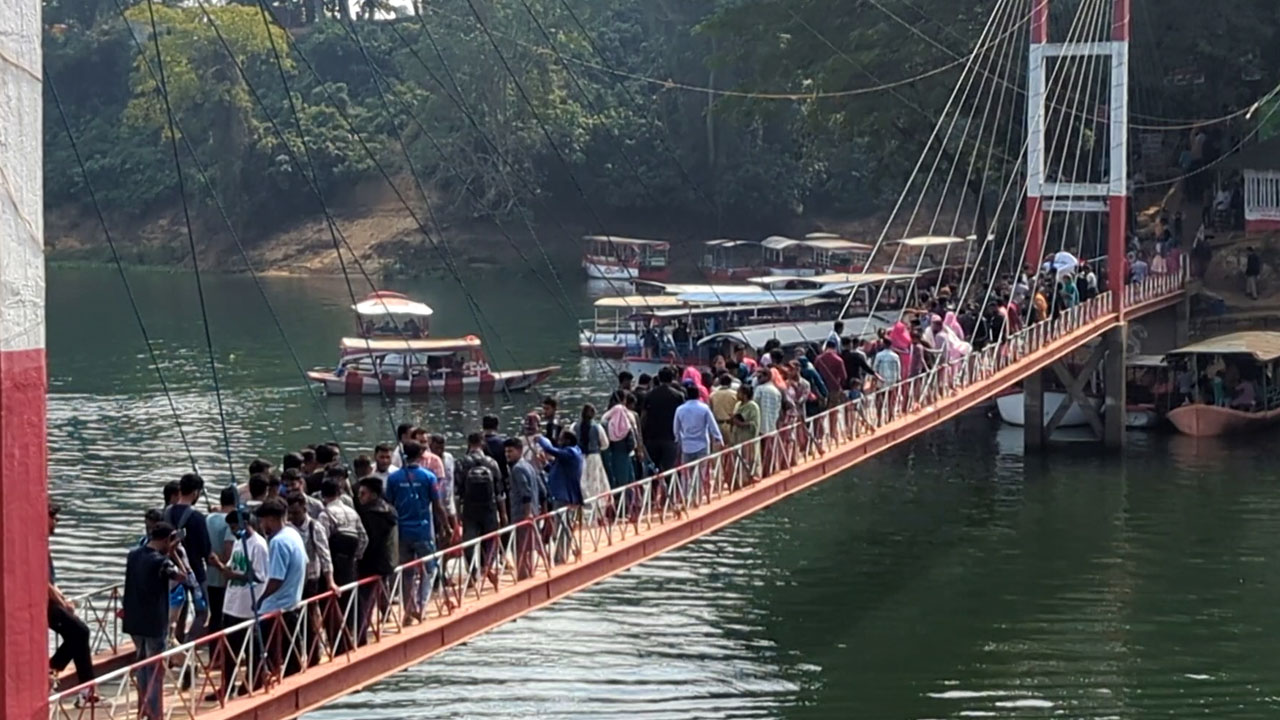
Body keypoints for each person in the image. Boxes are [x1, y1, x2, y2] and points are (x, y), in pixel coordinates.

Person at [123, 522, 185, 719]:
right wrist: (174, 554)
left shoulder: (133, 555)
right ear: (167, 539)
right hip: (154, 623)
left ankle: (143, 709)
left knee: (142, 666)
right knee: (155, 670)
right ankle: (155, 714)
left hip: (134, 620)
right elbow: (183, 577)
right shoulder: (162, 562)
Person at [208, 510, 267, 700]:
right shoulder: (238, 544)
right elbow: (231, 568)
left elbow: (260, 576)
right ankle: (227, 686)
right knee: (229, 649)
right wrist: (218, 564)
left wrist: (234, 575)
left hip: (248, 606)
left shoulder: (258, 545)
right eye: (231, 528)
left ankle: (253, 682)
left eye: (235, 527)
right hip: (232, 604)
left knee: (251, 649)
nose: (233, 531)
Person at [386, 441, 447, 623]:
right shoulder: (429, 476)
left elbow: (389, 503)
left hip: (402, 531)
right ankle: (421, 605)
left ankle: (408, 610)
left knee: (407, 573)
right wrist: (447, 527)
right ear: (421, 455)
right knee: (430, 569)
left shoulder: (393, 478)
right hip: (422, 531)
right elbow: (437, 506)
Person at [254, 498, 308, 677]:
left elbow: (276, 578)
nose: (262, 525)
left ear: (271, 519)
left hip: (276, 607)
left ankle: (262, 681)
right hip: (292, 601)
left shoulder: (278, 542)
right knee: (290, 649)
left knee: (265, 649)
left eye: (263, 521)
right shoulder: (293, 534)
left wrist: (260, 599)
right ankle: (287, 673)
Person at [48, 503, 96, 699]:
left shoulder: (44, 545)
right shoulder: (36, 544)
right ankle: (85, 686)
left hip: (52, 600)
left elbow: (51, 581)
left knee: (78, 634)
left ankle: (53, 668)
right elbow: (43, 583)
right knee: (81, 631)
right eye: (54, 519)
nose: (56, 523)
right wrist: (62, 603)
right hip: (45, 604)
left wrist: (63, 599)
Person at [163, 473, 211, 643]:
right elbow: (206, 550)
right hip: (194, 572)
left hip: (172, 572)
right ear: (196, 493)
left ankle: (174, 647)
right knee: (202, 613)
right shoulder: (197, 518)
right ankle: (186, 646)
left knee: (178, 614)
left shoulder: (166, 513)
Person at [355, 477, 397, 642]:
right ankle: (384, 616)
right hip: (386, 562)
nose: (360, 497)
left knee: (364, 600)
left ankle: (360, 636)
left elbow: (369, 541)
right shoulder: (390, 511)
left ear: (373, 494)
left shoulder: (368, 514)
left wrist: (359, 559)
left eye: (363, 494)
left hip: (370, 563)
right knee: (376, 594)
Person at [505, 438, 541, 580]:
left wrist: (527, 514)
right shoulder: (529, 466)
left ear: (519, 450)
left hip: (521, 514)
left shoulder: (517, 469)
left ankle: (522, 577)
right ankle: (528, 573)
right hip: (533, 511)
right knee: (528, 548)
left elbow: (525, 492)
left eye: (510, 451)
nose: (507, 454)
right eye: (506, 451)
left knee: (520, 548)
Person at [204, 487, 237, 635]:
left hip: (208, 576)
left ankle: (214, 653)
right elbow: (228, 551)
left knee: (214, 617)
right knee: (224, 619)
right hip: (223, 577)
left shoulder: (209, 518)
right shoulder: (231, 522)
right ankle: (223, 654)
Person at [641, 367, 684, 472]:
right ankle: (668, 488)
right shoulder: (678, 396)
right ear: (672, 378)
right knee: (669, 471)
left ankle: (653, 488)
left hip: (652, 437)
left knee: (652, 471)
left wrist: (642, 435)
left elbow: (643, 416)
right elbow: (682, 417)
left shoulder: (649, 395)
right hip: (671, 437)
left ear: (659, 379)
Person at [570, 404, 611, 507]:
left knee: (582, 483)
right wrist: (597, 449)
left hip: (579, 457)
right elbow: (605, 444)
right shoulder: (597, 427)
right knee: (596, 484)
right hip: (594, 457)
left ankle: (583, 507)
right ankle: (596, 509)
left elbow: (571, 442)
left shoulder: (574, 426)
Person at [673, 384, 724, 464]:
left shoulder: (680, 409)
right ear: (698, 395)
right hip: (702, 444)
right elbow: (712, 425)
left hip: (686, 446)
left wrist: (678, 440)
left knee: (687, 473)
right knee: (702, 471)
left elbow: (676, 429)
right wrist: (719, 438)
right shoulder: (704, 408)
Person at [600, 391, 639, 489]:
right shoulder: (628, 415)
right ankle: (629, 502)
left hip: (610, 453)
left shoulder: (606, 417)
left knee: (616, 479)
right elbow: (635, 435)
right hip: (626, 453)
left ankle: (621, 501)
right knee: (628, 479)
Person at [814, 340, 848, 407]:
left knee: (822, 410)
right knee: (833, 409)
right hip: (834, 388)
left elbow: (815, 373)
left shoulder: (818, 359)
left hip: (821, 388)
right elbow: (844, 376)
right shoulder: (838, 360)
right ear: (835, 348)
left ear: (826, 347)